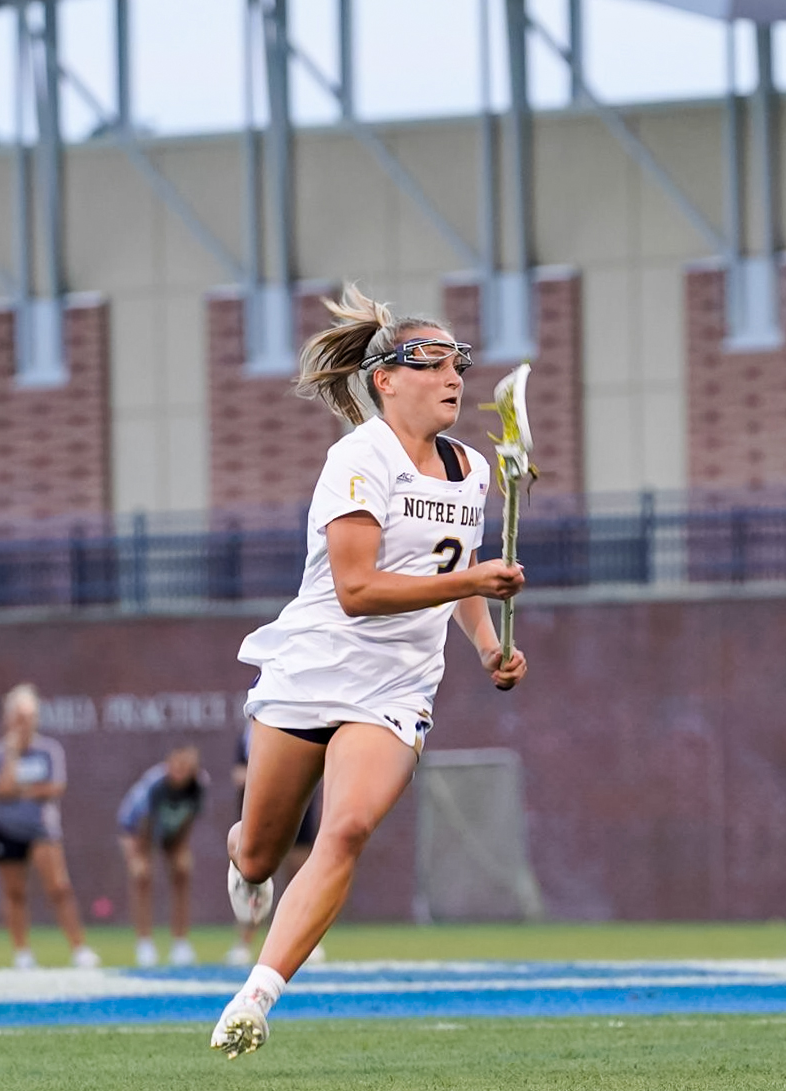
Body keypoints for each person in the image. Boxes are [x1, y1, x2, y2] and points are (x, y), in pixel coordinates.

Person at [211, 284, 527, 1058]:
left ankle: (256, 995)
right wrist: (471, 583)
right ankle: (242, 853)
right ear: (386, 377)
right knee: (259, 852)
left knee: (346, 828)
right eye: (432, 362)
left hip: (396, 686)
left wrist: (487, 644)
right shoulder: (357, 457)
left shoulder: (471, 470)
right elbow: (357, 591)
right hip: (313, 667)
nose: (453, 376)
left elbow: (456, 571)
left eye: (459, 362)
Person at [0, 683, 101, 969]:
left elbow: (54, 787)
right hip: (6, 828)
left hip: (41, 829)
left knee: (59, 888)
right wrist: (13, 756)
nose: (22, 722)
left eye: (27, 716)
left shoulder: (49, 749)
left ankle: (78, 948)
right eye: (17, 716)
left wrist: (20, 790)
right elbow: (0, 788)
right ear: (8, 718)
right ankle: (21, 952)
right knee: (14, 892)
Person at [225, 723, 322, 967]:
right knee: (253, 874)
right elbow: (240, 773)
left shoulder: (307, 719)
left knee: (302, 872)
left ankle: (305, 942)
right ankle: (244, 943)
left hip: (300, 803)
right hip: (265, 805)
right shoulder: (256, 728)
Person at [117, 745, 208, 968]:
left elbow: (188, 819)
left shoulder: (199, 785)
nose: (180, 771)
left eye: (186, 767)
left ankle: (180, 942)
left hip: (170, 832)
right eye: (176, 766)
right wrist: (139, 859)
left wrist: (180, 850)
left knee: (182, 871)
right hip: (135, 831)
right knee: (142, 877)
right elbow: (142, 826)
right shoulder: (155, 786)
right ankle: (144, 944)